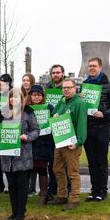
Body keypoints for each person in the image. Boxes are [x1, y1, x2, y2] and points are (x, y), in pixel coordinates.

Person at [0, 88, 39, 220]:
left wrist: (27, 136)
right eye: (11, 97)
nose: (13, 100)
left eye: (16, 97)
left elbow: (36, 130)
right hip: (7, 156)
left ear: (22, 99)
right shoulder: (4, 113)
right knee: (12, 186)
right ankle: (14, 212)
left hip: (23, 155)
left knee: (22, 186)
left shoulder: (28, 113)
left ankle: (21, 212)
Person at [82, 57, 110, 202]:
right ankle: (94, 190)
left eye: (94, 66)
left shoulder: (109, 85)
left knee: (101, 161)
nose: (91, 68)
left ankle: (102, 191)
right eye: (90, 66)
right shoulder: (85, 85)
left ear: (100, 67)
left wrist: (104, 113)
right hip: (88, 128)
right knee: (91, 161)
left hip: (102, 128)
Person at [47, 79, 87, 210]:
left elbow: (82, 123)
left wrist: (78, 141)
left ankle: (74, 199)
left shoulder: (79, 103)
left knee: (72, 172)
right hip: (60, 141)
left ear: (75, 88)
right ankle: (62, 195)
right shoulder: (62, 101)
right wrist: (55, 115)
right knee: (57, 169)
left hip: (71, 142)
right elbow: (54, 115)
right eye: (64, 88)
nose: (66, 90)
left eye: (68, 87)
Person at [45, 64, 70, 200]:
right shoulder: (48, 88)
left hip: (63, 128)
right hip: (50, 129)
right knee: (53, 163)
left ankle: (67, 190)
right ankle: (53, 189)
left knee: (66, 163)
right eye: (53, 73)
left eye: (58, 72)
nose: (55, 75)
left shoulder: (67, 88)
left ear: (63, 73)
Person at [28, 84, 55, 205]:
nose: (36, 97)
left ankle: (43, 194)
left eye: (38, 95)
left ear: (42, 96)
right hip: (30, 142)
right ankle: (26, 192)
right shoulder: (27, 108)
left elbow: (54, 121)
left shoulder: (49, 107)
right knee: (29, 168)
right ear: (30, 96)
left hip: (44, 142)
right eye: (34, 95)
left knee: (43, 169)